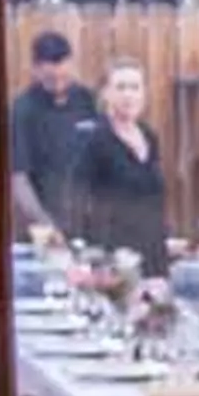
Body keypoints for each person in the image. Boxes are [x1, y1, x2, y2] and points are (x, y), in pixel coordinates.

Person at [61, 58, 173, 269]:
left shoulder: (149, 136)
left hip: (153, 257)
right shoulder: (93, 140)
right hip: (113, 262)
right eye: (120, 87)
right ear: (106, 93)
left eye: (135, 87)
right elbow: (75, 201)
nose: (128, 95)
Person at [6, 28, 97, 240]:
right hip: (42, 229)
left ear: (71, 65)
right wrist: (48, 226)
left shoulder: (88, 101)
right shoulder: (23, 110)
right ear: (35, 70)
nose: (57, 80)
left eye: (62, 74)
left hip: (90, 226)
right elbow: (19, 179)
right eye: (50, 77)